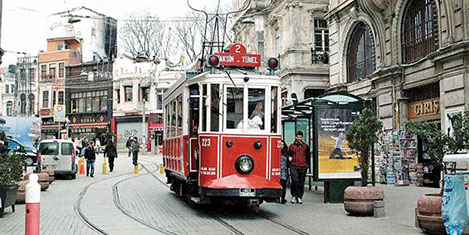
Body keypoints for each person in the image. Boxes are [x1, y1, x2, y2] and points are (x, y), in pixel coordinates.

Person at [288, 131, 310, 204]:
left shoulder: (305, 146)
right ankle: (294, 196)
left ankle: (299, 197)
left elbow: (308, 156)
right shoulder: (291, 146)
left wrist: (307, 165)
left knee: (301, 182)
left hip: (303, 166)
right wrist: (290, 164)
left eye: (300, 137)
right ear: (295, 137)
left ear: (302, 138)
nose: (299, 138)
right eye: (298, 137)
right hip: (294, 165)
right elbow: (289, 155)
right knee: (294, 180)